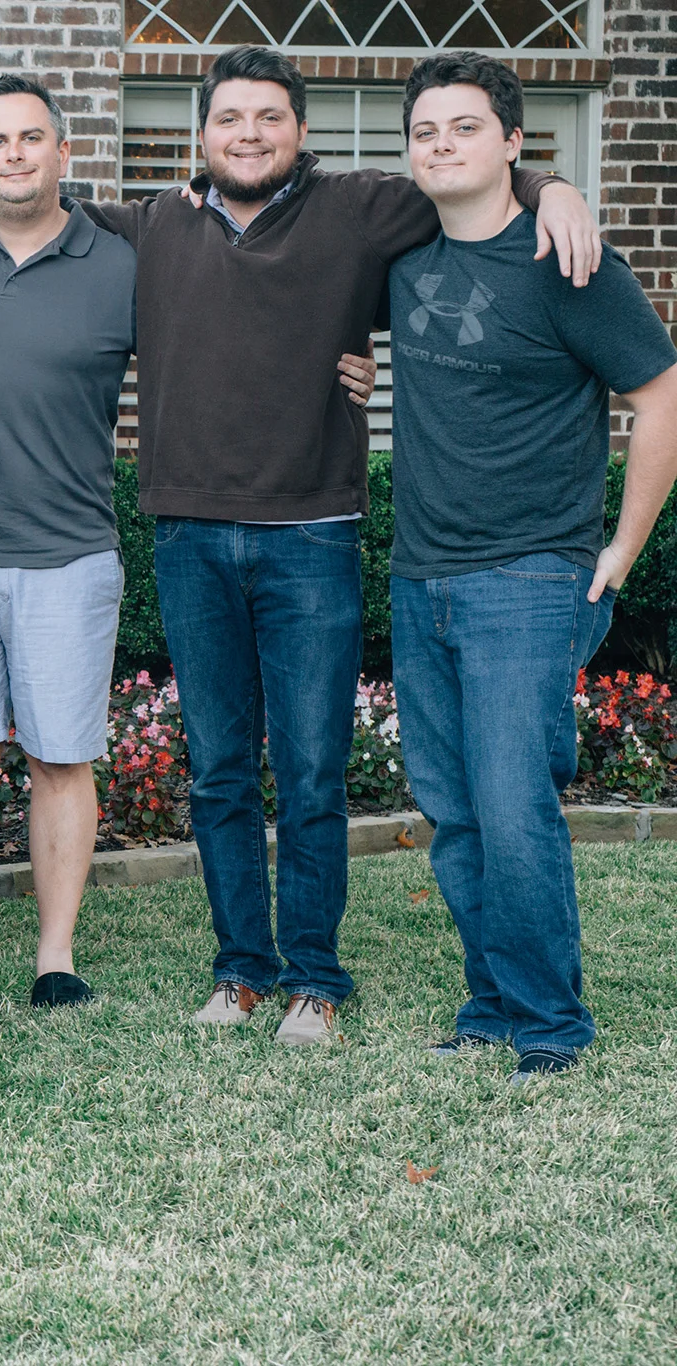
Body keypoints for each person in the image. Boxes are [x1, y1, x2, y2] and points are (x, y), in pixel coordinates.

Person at [0, 44, 599, 1045]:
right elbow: (28, 193)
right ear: (199, 135)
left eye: (268, 117)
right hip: (187, 536)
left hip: (310, 535)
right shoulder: (151, 226)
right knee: (219, 768)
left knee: (310, 770)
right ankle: (240, 968)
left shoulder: (361, 210)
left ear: (298, 132)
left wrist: (551, 186)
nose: (248, 134)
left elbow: (467, 180)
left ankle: (313, 974)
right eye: (229, 118)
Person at [0, 77, 380, 1016]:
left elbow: (233, 327)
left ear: (65, 152)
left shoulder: (134, 252)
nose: (13, 155)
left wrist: (340, 364)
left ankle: (92, 960)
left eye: (32, 138)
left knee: (99, 761)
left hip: (104, 548)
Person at [387, 54, 677, 1083]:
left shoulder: (570, 259)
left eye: (463, 128)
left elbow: (659, 397)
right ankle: (491, 1000)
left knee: (511, 802)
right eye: (423, 129)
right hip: (419, 571)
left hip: (528, 576)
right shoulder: (402, 252)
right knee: (454, 806)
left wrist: (620, 547)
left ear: (512, 143)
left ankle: (550, 1025)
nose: (439, 145)